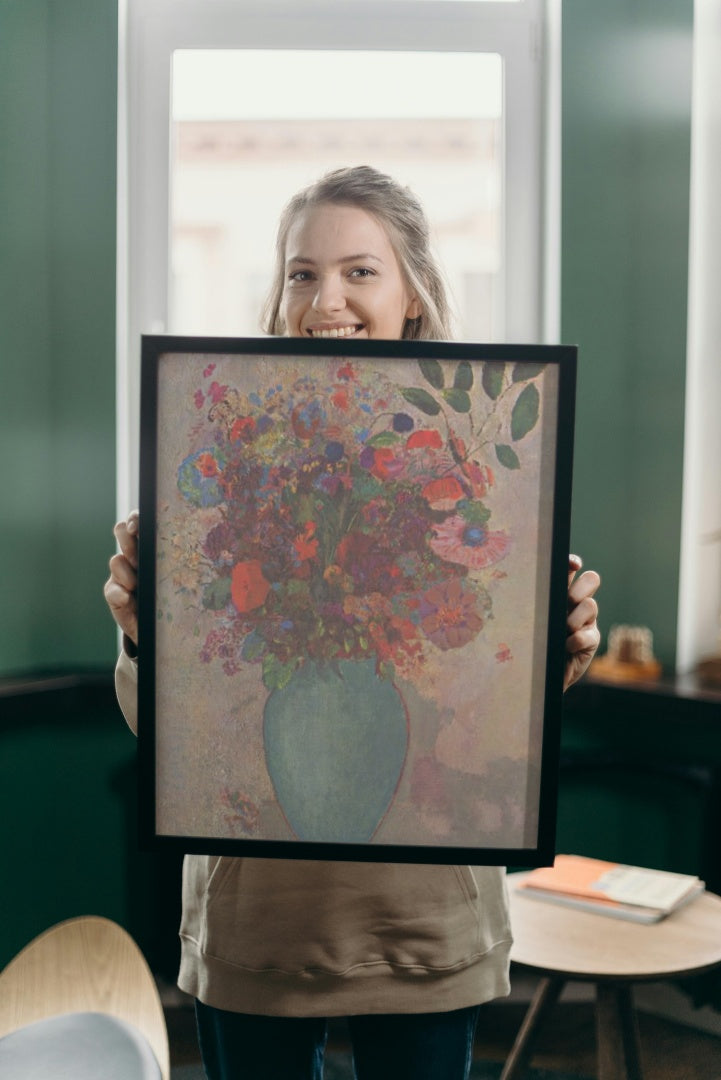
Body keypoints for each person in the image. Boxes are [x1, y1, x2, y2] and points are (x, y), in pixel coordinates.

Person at [105, 166, 601, 1080]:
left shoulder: (484, 463)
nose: (324, 298)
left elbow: (489, 707)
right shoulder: (215, 452)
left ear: (412, 292)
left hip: (423, 921)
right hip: (257, 922)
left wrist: (555, 648)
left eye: (358, 271)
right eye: (301, 272)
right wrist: (145, 637)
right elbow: (175, 732)